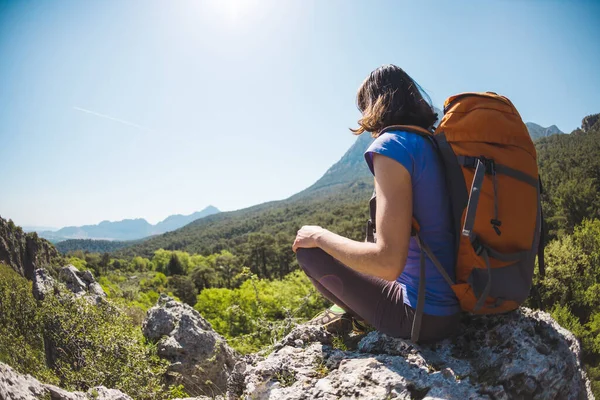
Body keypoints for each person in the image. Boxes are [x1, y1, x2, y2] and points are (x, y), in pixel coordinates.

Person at [292, 64, 460, 343]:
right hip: (455, 299)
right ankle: (352, 311)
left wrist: (319, 236)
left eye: (363, 108)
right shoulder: (430, 144)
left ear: (374, 106)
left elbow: (387, 263)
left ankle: (355, 315)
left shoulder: (392, 146)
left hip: (423, 316)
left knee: (309, 252)